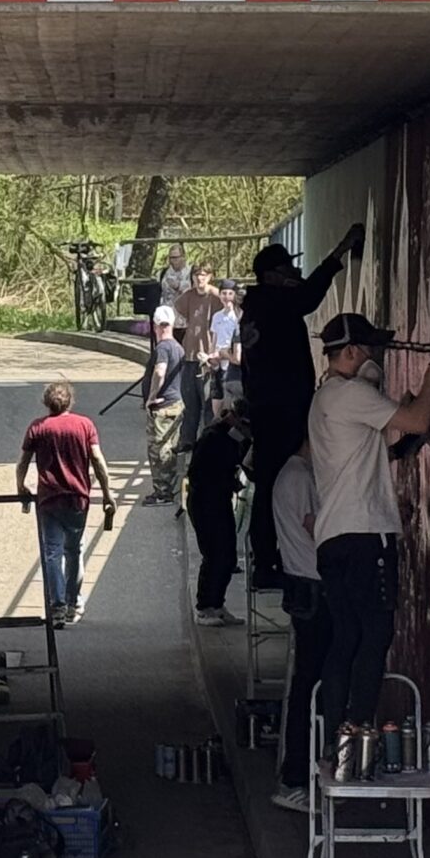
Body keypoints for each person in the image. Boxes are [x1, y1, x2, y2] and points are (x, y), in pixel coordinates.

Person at [308, 313, 430, 779]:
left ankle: (335, 742)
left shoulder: (324, 400)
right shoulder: (351, 394)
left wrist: (400, 450)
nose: (375, 356)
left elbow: (368, 451)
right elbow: (417, 418)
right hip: (366, 535)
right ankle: (359, 733)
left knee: (346, 638)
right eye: (370, 349)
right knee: (376, 636)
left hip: (334, 539)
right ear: (351, 352)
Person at [242, 225, 364, 584]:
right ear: (272, 276)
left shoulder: (257, 306)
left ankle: (268, 560)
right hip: (282, 411)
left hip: (267, 410)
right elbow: (309, 297)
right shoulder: (273, 303)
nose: (295, 272)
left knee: (270, 484)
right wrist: (340, 250)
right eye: (288, 268)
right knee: (282, 483)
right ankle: (271, 562)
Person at [15, 381, 116, 626]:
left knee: (52, 552)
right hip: (77, 498)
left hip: (49, 499)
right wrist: (107, 493)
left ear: (46, 402)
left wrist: (21, 487)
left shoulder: (38, 428)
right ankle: (73, 603)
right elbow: (97, 460)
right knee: (75, 551)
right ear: (70, 401)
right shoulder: (85, 425)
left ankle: (57, 606)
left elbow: (22, 463)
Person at [267, 444, 329, 813]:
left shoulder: (291, 475)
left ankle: (300, 772)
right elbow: (316, 529)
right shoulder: (300, 476)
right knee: (312, 685)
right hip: (314, 586)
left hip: (303, 585)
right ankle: (296, 777)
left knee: (309, 683)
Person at [185, 401, 252, 626]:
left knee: (228, 554)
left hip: (220, 500)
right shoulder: (213, 438)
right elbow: (200, 474)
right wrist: (227, 482)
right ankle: (205, 606)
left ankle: (217, 603)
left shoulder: (232, 439)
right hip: (205, 501)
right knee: (214, 553)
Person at [173, 265, 227, 449]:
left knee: (208, 403)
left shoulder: (216, 296)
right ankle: (187, 440)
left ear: (210, 276)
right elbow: (178, 310)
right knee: (190, 401)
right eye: (196, 275)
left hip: (208, 356)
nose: (199, 279)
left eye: (203, 275)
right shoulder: (188, 296)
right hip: (190, 354)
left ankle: (208, 442)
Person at [143, 305, 189, 505]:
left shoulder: (162, 348)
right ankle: (169, 488)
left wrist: (152, 396)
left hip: (163, 406)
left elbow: (160, 371)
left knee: (159, 449)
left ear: (156, 326)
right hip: (176, 403)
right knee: (170, 446)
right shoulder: (178, 347)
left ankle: (163, 492)